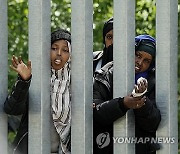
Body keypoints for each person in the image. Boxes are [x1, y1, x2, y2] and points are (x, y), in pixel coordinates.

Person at [3, 28, 72, 154]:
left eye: (65, 50)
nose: (59, 53)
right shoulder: (36, 80)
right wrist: (24, 81)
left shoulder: (78, 85)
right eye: (54, 48)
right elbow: (12, 109)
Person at [93, 34, 161, 154]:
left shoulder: (154, 82)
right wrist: (122, 103)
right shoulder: (107, 73)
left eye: (147, 61)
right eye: (138, 55)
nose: (140, 62)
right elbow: (96, 113)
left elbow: (153, 123)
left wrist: (142, 103)